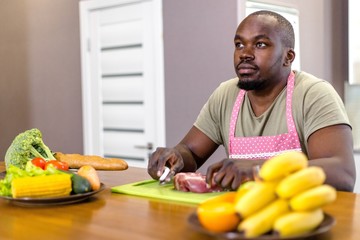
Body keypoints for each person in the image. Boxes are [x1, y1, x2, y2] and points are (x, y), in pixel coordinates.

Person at [147, 10, 356, 192]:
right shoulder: (225, 94)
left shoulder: (314, 94)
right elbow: (191, 152)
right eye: (239, 44)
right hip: (241, 217)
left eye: (260, 44)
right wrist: (175, 156)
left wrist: (259, 169)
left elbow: (343, 173)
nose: (245, 54)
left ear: (288, 57)